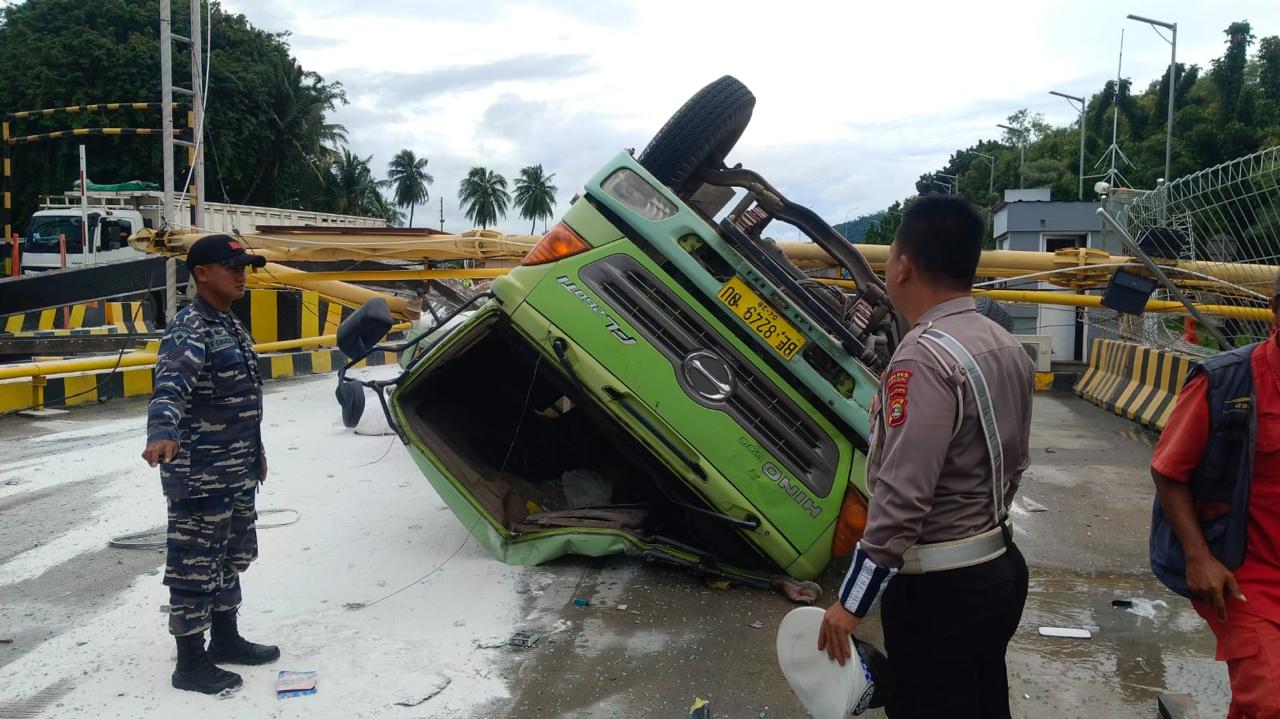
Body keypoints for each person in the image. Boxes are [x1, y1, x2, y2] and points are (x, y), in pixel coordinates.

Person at [817, 195, 1035, 718]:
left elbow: (903, 498)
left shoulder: (921, 359)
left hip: (941, 591)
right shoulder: (1005, 344)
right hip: (998, 568)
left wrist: (851, 603)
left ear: (903, 266)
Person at [141, 234, 279, 694]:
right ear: (201, 273)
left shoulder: (230, 324)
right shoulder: (191, 327)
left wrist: (255, 454)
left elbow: (243, 398)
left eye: (245, 267)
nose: (242, 274)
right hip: (200, 475)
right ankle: (190, 664)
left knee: (229, 557)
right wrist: (161, 433)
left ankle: (224, 639)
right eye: (231, 266)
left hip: (235, 470)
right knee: (194, 566)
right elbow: (170, 388)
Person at [1150, 273, 1280, 718]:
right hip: (1246, 577)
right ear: (1276, 312)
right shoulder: (1228, 384)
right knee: (1269, 701)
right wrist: (1198, 557)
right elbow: (1169, 470)